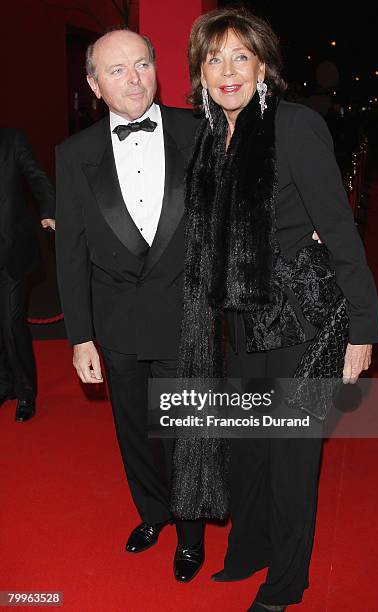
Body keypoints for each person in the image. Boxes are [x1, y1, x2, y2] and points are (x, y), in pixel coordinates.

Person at [173, 7, 378, 611]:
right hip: (241, 320)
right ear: (201, 72)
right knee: (250, 450)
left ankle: (286, 583)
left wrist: (363, 330)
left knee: (292, 459)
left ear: (263, 66)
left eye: (241, 56)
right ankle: (251, 550)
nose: (227, 70)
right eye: (214, 58)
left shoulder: (293, 127)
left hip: (301, 321)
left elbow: (340, 232)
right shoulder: (213, 135)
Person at [55, 28, 204, 583]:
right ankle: (153, 513)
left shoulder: (200, 131)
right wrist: (79, 336)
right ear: (95, 84)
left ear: (156, 68)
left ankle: (191, 534)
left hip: (185, 318)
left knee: (185, 432)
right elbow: (69, 253)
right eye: (116, 71)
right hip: (115, 324)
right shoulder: (74, 155)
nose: (133, 79)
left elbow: (240, 213)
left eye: (141, 64)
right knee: (134, 431)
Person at [0, 128, 55, 422]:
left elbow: (35, 175)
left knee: (10, 322)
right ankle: (4, 383)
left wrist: (49, 207)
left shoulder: (12, 141)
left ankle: (25, 393)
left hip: (10, 252)